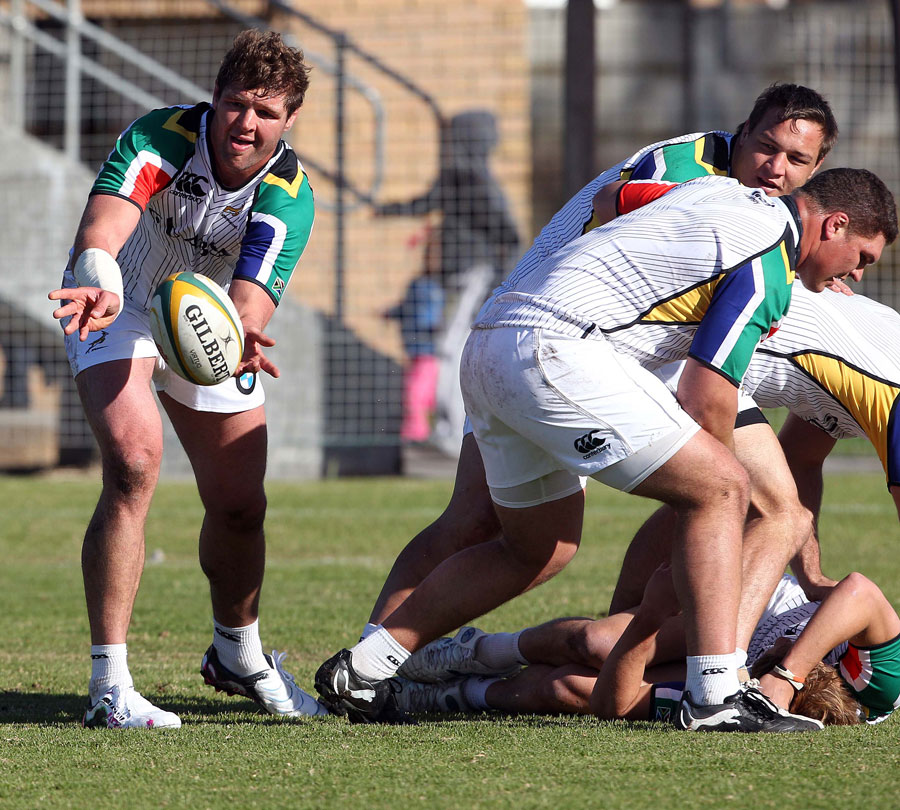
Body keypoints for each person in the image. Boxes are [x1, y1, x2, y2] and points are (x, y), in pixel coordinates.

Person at [315, 166, 895, 731]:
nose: (859, 277)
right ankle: (717, 692)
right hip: (562, 352)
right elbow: (706, 389)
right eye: (863, 258)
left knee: (539, 549)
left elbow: (611, 199)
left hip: (494, 338)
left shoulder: (718, 191)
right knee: (723, 487)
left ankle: (363, 669)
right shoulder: (771, 258)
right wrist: (712, 479)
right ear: (833, 224)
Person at [360, 83, 838, 645]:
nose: (776, 167)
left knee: (736, 498)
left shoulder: (771, 221)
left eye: (797, 159)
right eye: (766, 146)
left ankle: (383, 662)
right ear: (742, 132)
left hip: (591, 345)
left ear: (817, 168)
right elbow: (611, 204)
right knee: (482, 520)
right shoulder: (691, 163)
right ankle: (679, 664)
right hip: (559, 339)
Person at [48, 30, 327, 729]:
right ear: (215, 99)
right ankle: (110, 685)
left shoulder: (290, 194)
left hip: (202, 324)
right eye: (236, 104)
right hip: (116, 302)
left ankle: (238, 651)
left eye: (267, 112)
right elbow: (102, 229)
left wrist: (240, 338)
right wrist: (100, 279)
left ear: (290, 119)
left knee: (241, 503)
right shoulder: (163, 137)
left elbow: (249, 299)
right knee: (135, 464)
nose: (247, 123)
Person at [611, 281, 900, 611]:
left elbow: (800, 459)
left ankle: (619, 631)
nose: (861, 274)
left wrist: (811, 578)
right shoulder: (891, 387)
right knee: (776, 512)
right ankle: (723, 659)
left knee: (725, 498)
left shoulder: (880, 355)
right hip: (695, 359)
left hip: (688, 346)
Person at [391, 565, 895, 727]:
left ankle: (459, 697)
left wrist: (652, 616)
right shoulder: (881, 686)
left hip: (737, 676)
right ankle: (479, 651)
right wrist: (788, 671)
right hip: (754, 608)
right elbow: (862, 592)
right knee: (594, 641)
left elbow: (617, 702)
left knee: (573, 688)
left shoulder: (760, 718)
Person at [376, 109, 521, 447]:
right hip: (454, 278)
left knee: (450, 348)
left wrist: (498, 285)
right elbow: (427, 202)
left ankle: (453, 430)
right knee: (448, 347)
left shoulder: (479, 184)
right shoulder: (454, 179)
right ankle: (450, 428)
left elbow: (510, 237)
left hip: (474, 276)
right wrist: (388, 209)